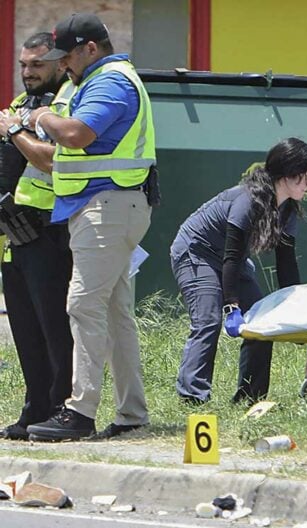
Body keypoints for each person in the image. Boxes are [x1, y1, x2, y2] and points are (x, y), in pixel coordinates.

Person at [25, 13, 158, 441]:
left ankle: (80, 411)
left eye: (67, 56)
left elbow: (77, 134)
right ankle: (131, 412)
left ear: (91, 48)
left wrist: (40, 118)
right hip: (107, 206)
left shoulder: (110, 82)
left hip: (106, 207)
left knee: (83, 305)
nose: (63, 65)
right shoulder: (98, 80)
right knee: (115, 314)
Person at [171, 138, 307, 404]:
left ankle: (250, 397)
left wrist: (292, 307)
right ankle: (192, 397)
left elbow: (286, 262)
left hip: (233, 261)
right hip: (198, 251)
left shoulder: (288, 210)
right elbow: (232, 255)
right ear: (286, 174)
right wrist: (231, 305)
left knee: (261, 321)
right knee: (208, 321)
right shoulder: (247, 200)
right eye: (305, 177)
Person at [0, 32, 74, 440]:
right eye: (23, 65)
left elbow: (52, 162)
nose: (28, 73)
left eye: (37, 65)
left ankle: (60, 406)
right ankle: (34, 409)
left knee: (54, 327)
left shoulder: (61, 106)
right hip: (14, 230)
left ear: (60, 63)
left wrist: (14, 130)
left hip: (50, 228)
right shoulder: (19, 105)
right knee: (25, 328)